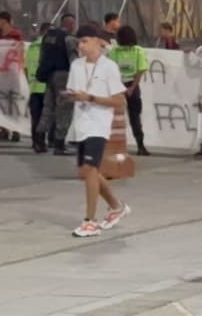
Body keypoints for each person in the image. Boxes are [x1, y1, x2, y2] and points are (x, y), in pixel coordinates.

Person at [66, 25, 131, 238]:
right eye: (79, 42)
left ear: (97, 41)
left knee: (91, 169)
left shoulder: (109, 67)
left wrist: (92, 98)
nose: (81, 45)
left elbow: (119, 100)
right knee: (86, 172)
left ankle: (90, 221)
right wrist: (71, 96)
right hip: (81, 123)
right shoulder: (76, 65)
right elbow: (75, 92)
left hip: (98, 124)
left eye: (84, 40)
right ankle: (116, 206)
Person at [36, 13, 79, 155]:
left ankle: (39, 140)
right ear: (71, 24)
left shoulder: (47, 37)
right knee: (64, 110)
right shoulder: (69, 39)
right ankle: (59, 144)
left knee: (48, 108)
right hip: (64, 76)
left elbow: (42, 57)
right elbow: (74, 61)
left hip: (49, 75)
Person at [108, 25, 150, 156]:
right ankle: (135, 145)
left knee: (127, 116)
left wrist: (128, 87)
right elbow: (140, 70)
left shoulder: (132, 51)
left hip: (125, 84)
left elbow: (139, 70)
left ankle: (137, 145)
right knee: (126, 116)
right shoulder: (124, 51)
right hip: (125, 84)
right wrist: (127, 87)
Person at [0, 11, 24, 142]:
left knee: (12, 100)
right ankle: (2, 129)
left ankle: (15, 129)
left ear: (4, 21)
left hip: (12, 71)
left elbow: (19, 51)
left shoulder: (16, 35)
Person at [26, 23, 52, 153]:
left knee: (35, 117)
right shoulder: (50, 46)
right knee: (46, 116)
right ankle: (43, 142)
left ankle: (36, 142)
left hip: (34, 87)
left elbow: (26, 67)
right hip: (47, 86)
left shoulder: (31, 46)